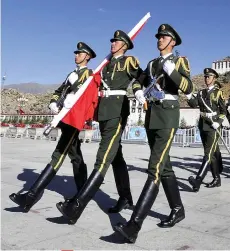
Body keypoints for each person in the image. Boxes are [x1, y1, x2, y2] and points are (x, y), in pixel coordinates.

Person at [113, 24, 193, 244]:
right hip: (152, 115)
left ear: (172, 42)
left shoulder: (179, 61)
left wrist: (172, 72)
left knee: (154, 168)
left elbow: (187, 88)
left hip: (167, 115)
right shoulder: (151, 63)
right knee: (164, 166)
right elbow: (141, 80)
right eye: (158, 37)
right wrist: (138, 90)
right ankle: (177, 209)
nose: (159, 39)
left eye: (164, 37)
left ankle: (134, 225)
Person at [56, 30, 140, 223]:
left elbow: (140, 78)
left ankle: (76, 206)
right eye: (112, 40)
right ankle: (125, 198)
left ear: (125, 45)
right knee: (116, 157)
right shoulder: (105, 64)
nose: (112, 43)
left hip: (117, 111)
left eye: (116, 41)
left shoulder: (129, 61)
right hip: (104, 113)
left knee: (102, 158)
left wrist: (138, 91)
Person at [9, 42, 96, 212]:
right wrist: (53, 103)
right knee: (75, 155)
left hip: (74, 119)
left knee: (58, 154)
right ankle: (83, 193)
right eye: (76, 53)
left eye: (79, 53)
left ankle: (31, 196)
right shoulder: (71, 73)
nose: (75, 56)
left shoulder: (89, 74)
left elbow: (86, 94)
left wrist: (76, 84)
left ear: (87, 56)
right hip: (64, 117)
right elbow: (59, 91)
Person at [187, 68, 226, 191]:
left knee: (208, 154)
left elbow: (224, 111)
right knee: (212, 155)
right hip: (203, 124)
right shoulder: (201, 93)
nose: (206, 78)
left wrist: (218, 122)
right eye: (205, 76)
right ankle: (217, 179)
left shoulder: (218, 93)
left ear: (214, 79)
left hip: (213, 126)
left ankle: (197, 181)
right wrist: (188, 95)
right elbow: (194, 104)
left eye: (209, 77)